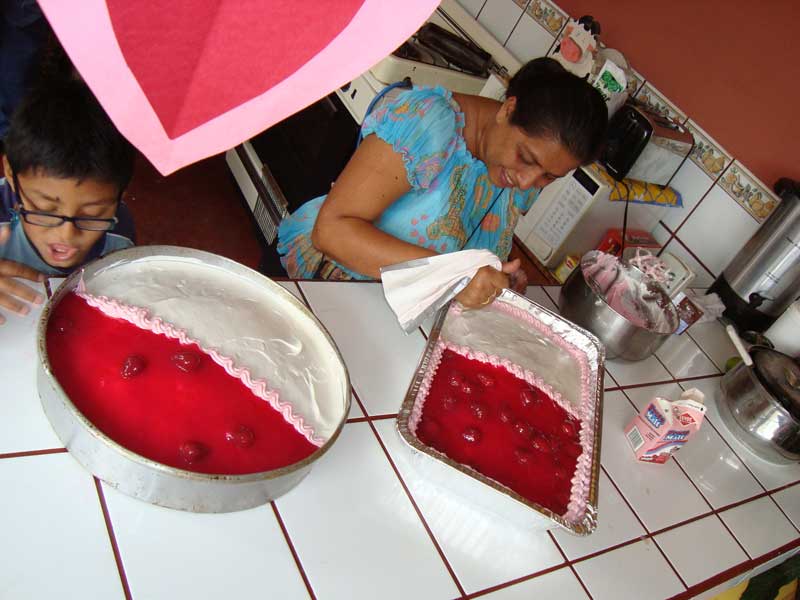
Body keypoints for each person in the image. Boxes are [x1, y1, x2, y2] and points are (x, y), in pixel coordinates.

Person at [277, 57, 607, 308]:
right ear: (508, 110)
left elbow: (462, 247)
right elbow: (331, 231)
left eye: (549, 176)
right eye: (528, 158)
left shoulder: (518, 175)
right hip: (324, 285)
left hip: (395, 307)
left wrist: (496, 275)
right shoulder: (428, 122)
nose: (527, 182)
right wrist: (453, 278)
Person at [0, 79, 136, 324]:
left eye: (93, 215)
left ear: (121, 194)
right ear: (10, 173)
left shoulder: (120, 238)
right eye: (45, 209)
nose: (66, 235)